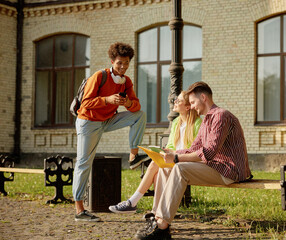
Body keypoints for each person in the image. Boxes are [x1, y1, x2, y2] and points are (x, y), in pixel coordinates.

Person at [134, 81, 252, 239]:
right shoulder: (206, 120)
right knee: (165, 167)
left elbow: (208, 153)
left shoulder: (221, 116)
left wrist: (176, 158)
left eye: (193, 102)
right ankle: (157, 219)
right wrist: (171, 153)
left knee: (180, 168)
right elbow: (194, 148)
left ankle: (162, 226)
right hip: (215, 167)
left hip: (230, 171)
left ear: (203, 97)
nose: (192, 106)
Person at [73, 42, 147, 222]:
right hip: (88, 122)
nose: (123, 67)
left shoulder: (126, 82)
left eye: (127, 63)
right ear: (112, 61)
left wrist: (127, 103)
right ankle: (79, 210)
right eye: (119, 63)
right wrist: (107, 100)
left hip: (106, 121)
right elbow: (85, 103)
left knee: (139, 115)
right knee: (84, 163)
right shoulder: (100, 76)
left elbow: (135, 106)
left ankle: (133, 156)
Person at [109, 91, 202, 213]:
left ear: (187, 106)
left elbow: (194, 150)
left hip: (185, 161)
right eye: (175, 99)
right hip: (173, 159)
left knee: (154, 165)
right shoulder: (176, 122)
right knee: (158, 172)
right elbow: (170, 145)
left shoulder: (197, 123)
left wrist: (174, 153)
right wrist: (163, 151)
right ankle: (155, 212)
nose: (175, 102)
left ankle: (132, 202)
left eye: (178, 101)